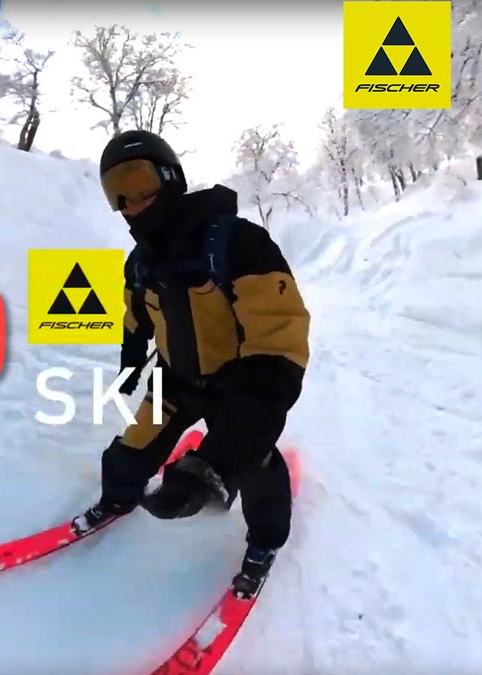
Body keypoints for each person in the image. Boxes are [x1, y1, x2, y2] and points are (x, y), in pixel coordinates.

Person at [81, 129, 311, 599]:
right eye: (117, 193)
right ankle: (117, 498)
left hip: (237, 385)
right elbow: (136, 315)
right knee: (131, 447)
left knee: (254, 461)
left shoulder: (238, 243)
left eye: (139, 183)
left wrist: (214, 466)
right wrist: (131, 360)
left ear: (170, 178)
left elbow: (278, 345)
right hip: (176, 380)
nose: (131, 204)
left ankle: (265, 541)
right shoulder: (139, 263)